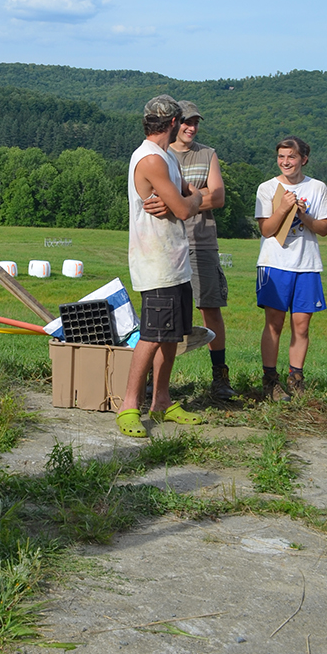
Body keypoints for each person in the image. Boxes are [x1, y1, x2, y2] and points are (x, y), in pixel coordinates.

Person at [116, 95, 203, 439]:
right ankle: (129, 406)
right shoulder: (150, 159)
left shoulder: (168, 157)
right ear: (173, 124)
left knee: (171, 336)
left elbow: (188, 196)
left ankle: (162, 402)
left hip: (175, 259)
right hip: (156, 263)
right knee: (152, 336)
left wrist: (186, 200)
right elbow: (185, 208)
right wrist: (187, 202)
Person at [255, 137, 327, 401]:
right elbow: (266, 229)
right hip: (274, 264)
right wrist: (284, 208)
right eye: (281, 157)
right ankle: (270, 381)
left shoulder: (317, 187)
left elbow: (324, 229)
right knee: (274, 323)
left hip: (307, 264)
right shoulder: (267, 188)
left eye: (291, 157)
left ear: (303, 159)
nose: (285, 162)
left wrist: (302, 215)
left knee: (301, 326)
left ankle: (296, 377)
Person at [169, 101, 235, 400]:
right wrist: (198, 194)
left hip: (202, 241)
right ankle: (159, 378)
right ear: (173, 123)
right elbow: (152, 196)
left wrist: (179, 201)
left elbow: (218, 196)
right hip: (168, 242)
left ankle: (220, 377)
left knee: (210, 308)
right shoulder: (160, 154)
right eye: (186, 122)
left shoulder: (207, 154)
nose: (192, 128)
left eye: (196, 122)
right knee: (166, 311)